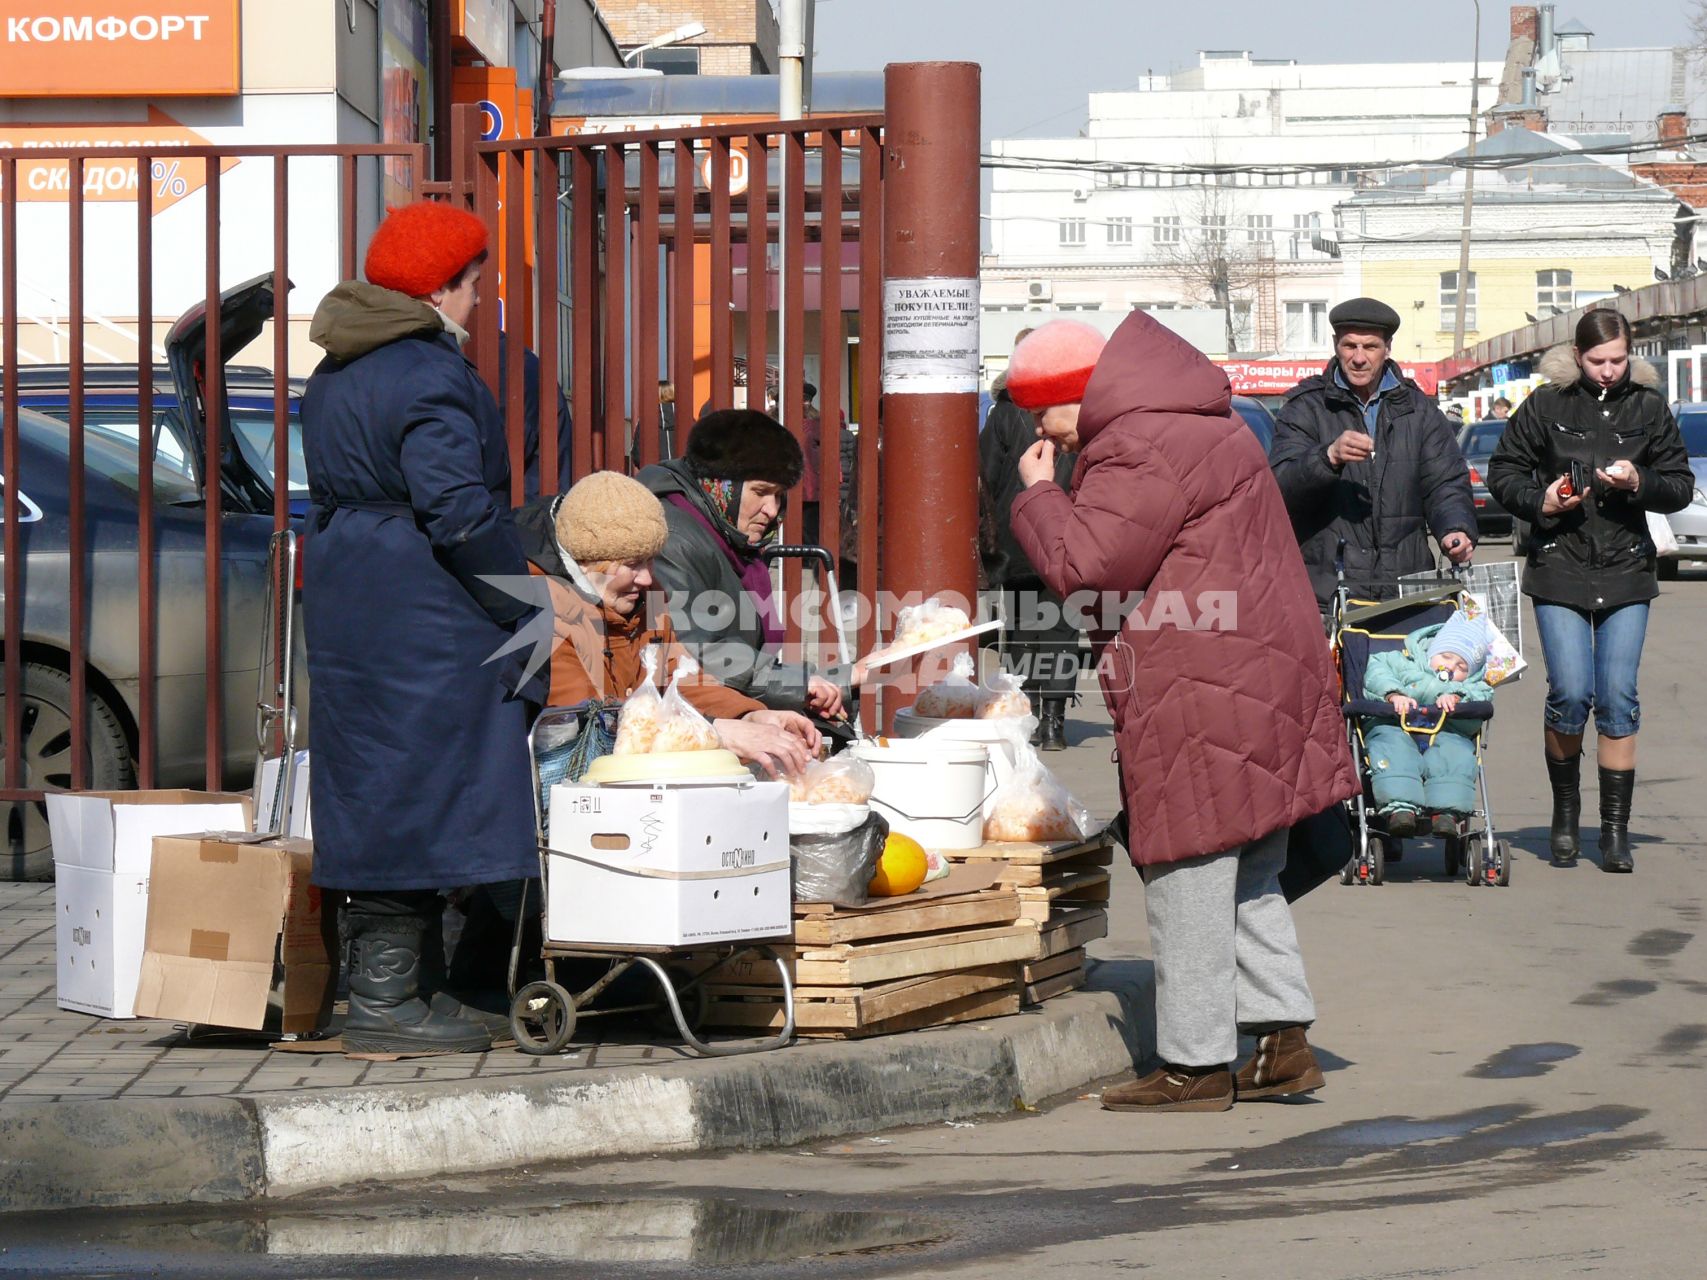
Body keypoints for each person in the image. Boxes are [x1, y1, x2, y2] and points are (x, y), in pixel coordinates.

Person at [1009, 313, 1358, 1113]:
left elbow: (1087, 565)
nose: (1041, 429)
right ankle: (1278, 1041)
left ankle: (1194, 1063)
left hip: (1199, 684)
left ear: (1074, 393)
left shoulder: (1137, 442)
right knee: (1252, 868)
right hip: (1256, 673)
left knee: (1188, 869)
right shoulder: (1201, 421)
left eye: (1042, 409)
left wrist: (1037, 495)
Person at [301, 200, 539, 1055]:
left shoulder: (337, 369)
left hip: (349, 592)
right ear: (441, 288)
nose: (480, 302)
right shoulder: (431, 374)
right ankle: (387, 1000)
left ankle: (413, 985)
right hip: (421, 608)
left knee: (374, 775)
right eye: (475, 286)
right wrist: (525, 601)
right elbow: (458, 512)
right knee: (426, 778)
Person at [1486, 309, 1694, 873]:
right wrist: (1544, 500)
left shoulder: (1649, 408)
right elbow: (1502, 471)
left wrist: (1639, 481)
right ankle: (1565, 810)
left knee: (1619, 698)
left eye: (1618, 360)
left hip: (1627, 570)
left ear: (1630, 356)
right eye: (1598, 361)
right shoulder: (1546, 405)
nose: (1608, 371)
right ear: (1577, 357)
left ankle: (1614, 831)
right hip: (1559, 567)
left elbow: (1679, 487)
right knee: (1572, 694)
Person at [513, 472, 821, 777]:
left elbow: (679, 677)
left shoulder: (646, 593)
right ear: (588, 560)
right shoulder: (542, 607)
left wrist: (749, 715)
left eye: (650, 560)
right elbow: (590, 722)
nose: (647, 577)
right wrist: (717, 733)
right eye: (633, 564)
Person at [641, 410, 859, 725]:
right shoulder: (674, 539)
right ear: (720, 484)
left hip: (714, 713)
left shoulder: (727, 538)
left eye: (779, 495)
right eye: (760, 492)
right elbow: (698, 652)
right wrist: (800, 685)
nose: (771, 510)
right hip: (685, 724)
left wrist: (847, 675)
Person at [1270, 297, 1478, 611]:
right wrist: (1328, 457)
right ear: (1335, 345)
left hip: (1406, 588)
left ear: (1388, 348)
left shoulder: (1418, 410)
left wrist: (1455, 528)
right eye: (1349, 346)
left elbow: (1445, 482)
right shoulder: (1306, 407)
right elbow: (1279, 488)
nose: (1358, 358)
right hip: (1328, 591)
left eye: (1370, 347)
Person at [980, 327, 1082, 750]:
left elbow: (984, 472)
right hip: (1067, 527)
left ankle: (1028, 713)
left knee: (1021, 628)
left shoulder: (1005, 412)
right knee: (1061, 627)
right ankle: (1055, 724)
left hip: (1017, 535)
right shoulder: (1075, 410)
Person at [1361, 612, 1494, 836]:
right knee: (1392, 749)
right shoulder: (1403, 662)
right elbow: (1377, 671)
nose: (1450, 667)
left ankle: (1446, 814)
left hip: (1445, 732)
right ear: (1431, 651)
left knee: (1456, 755)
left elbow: (1483, 697)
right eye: (1445, 656)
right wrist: (1393, 694)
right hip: (1395, 725)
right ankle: (1400, 809)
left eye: (1462, 667)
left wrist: (1458, 697)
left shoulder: (1472, 686)